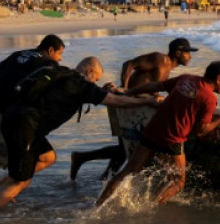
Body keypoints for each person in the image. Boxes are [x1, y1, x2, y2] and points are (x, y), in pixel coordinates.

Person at [0, 56, 160, 212]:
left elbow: (100, 94)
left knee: (47, 157)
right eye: (95, 78)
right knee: (20, 181)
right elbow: (116, 102)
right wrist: (148, 101)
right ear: (89, 71)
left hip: (12, 117)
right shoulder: (81, 86)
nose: (94, 83)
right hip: (25, 126)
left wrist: (106, 90)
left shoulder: (59, 72)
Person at [96, 61, 220, 206]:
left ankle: (98, 204)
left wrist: (128, 92)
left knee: (128, 171)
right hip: (172, 139)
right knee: (178, 182)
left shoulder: (186, 78)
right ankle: (152, 206)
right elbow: (201, 131)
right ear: (219, 78)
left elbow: (155, 86)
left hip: (152, 130)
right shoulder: (210, 98)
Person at [68, 38, 198, 180]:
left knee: (124, 150)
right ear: (178, 53)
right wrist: (125, 87)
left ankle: (98, 172)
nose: (190, 56)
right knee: (127, 149)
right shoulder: (160, 59)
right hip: (126, 104)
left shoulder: (168, 69)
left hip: (131, 105)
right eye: (187, 52)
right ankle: (88, 163)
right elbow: (129, 64)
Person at [0, 34, 66, 169]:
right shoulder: (48, 64)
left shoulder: (20, 54)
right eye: (59, 53)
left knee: (11, 144)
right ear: (51, 50)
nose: (60, 58)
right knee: (1, 158)